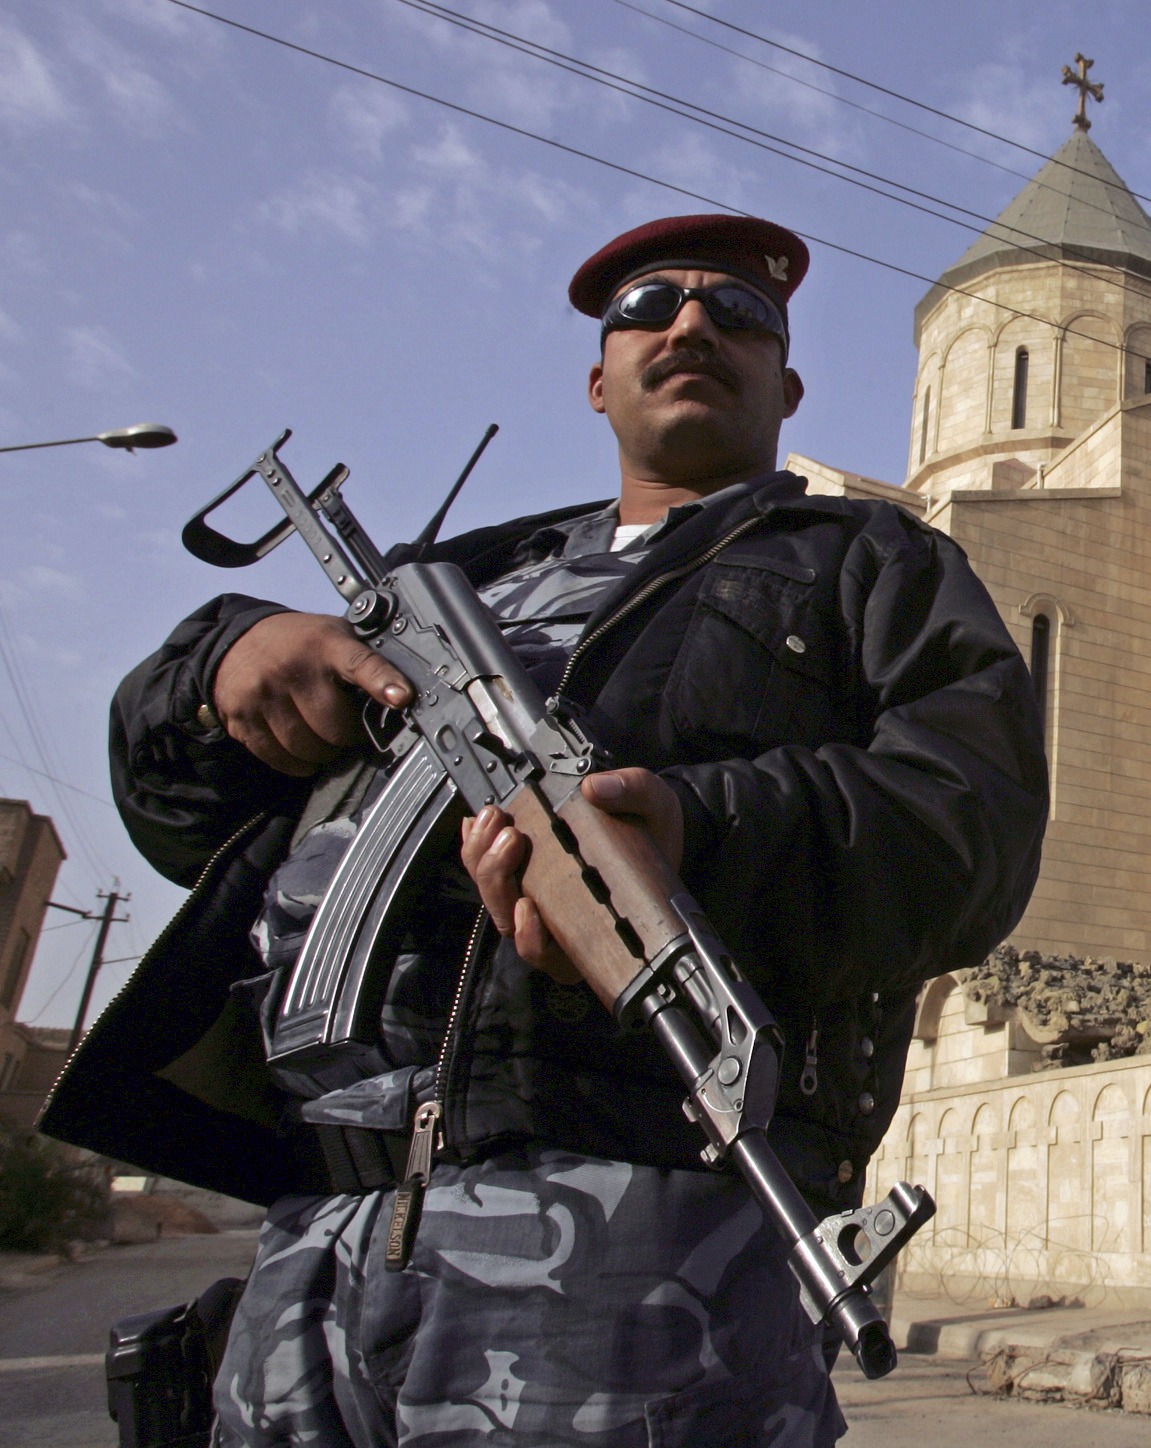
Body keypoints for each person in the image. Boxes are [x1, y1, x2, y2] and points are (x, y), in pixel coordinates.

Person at [42, 213, 1048, 1445]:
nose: (690, 324)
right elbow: (181, 814)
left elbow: (969, 825)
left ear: (787, 384)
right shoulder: (463, 574)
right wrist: (218, 661)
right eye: (650, 307)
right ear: (597, 377)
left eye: (739, 314)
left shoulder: (869, 559)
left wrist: (700, 828)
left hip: (634, 1238)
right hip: (311, 1236)